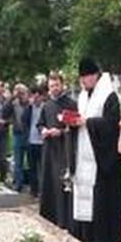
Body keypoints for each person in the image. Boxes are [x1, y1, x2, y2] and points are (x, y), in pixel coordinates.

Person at [69, 58, 121, 242]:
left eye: (85, 78)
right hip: (84, 150)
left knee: (100, 196)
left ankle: (103, 237)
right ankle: (84, 234)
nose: (83, 82)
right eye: (81, 79)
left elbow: (112, 125)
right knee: (83, 195)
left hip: (101, 155)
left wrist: (88, 122)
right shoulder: (83, 96)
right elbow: (81, 119)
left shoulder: (109, 96)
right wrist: (74, 122)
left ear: (94, 76)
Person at [38, 72, 76, 229]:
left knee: (62, 183)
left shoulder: (71, 104)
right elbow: (40, 123)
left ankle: (64, 219)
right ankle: (50, 217)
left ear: (62, 85)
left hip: (64, 149)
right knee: (49, 181)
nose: (54, 89)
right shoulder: (47, 105)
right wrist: (44, 130)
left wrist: (60, 132)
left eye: (56, 85)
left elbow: (74, 125)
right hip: (49, 149)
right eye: (51, 86)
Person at [26, 85, 46, 197]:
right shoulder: (30, 108)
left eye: (38, 95)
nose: (36, 98)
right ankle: (34, 190)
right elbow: (24, 120)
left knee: (43, 168)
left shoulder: (46, 107)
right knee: (32, 167)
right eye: (34, 95)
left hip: (43, 142)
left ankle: (43, 190)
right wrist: (29, 105)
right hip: (31, 141)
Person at [11, 83, 31, 192]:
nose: (21, 96)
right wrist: (12, 97)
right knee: (17, 161)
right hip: (17, 134)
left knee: (31, 160)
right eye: (19, 93)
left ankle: (33, 184)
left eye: (23, 93)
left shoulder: (31, 105)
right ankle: (18, 184)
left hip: (28, 135)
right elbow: (5, 112)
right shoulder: (13, 104)